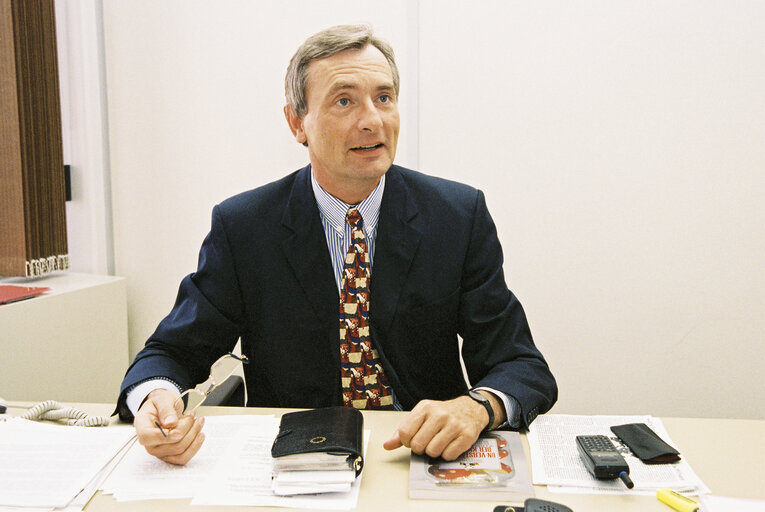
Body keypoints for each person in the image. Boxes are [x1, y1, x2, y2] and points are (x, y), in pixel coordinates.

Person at [117, 24, 557, 465]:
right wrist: (155, 398)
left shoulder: (457, 216)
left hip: (421, 456)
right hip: (297, 459)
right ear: (297, 123)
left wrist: (476, 407)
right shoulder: (245, 227)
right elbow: (171, 351)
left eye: (384, 98)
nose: (372, 120)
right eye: (344, 101)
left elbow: (521, 365)